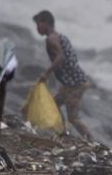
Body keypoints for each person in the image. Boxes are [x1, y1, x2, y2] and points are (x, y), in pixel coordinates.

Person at [33, 10, 93, 142]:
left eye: (38, 24)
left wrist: (46, 73)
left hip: (75, 84)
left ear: (46, 23)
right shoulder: (59, 36)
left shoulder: (51, 39)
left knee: (73, 118)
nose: (37, 28)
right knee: (53, 105)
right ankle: (63, 133)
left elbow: (60, 58)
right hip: (70, 83)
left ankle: (90, 140)